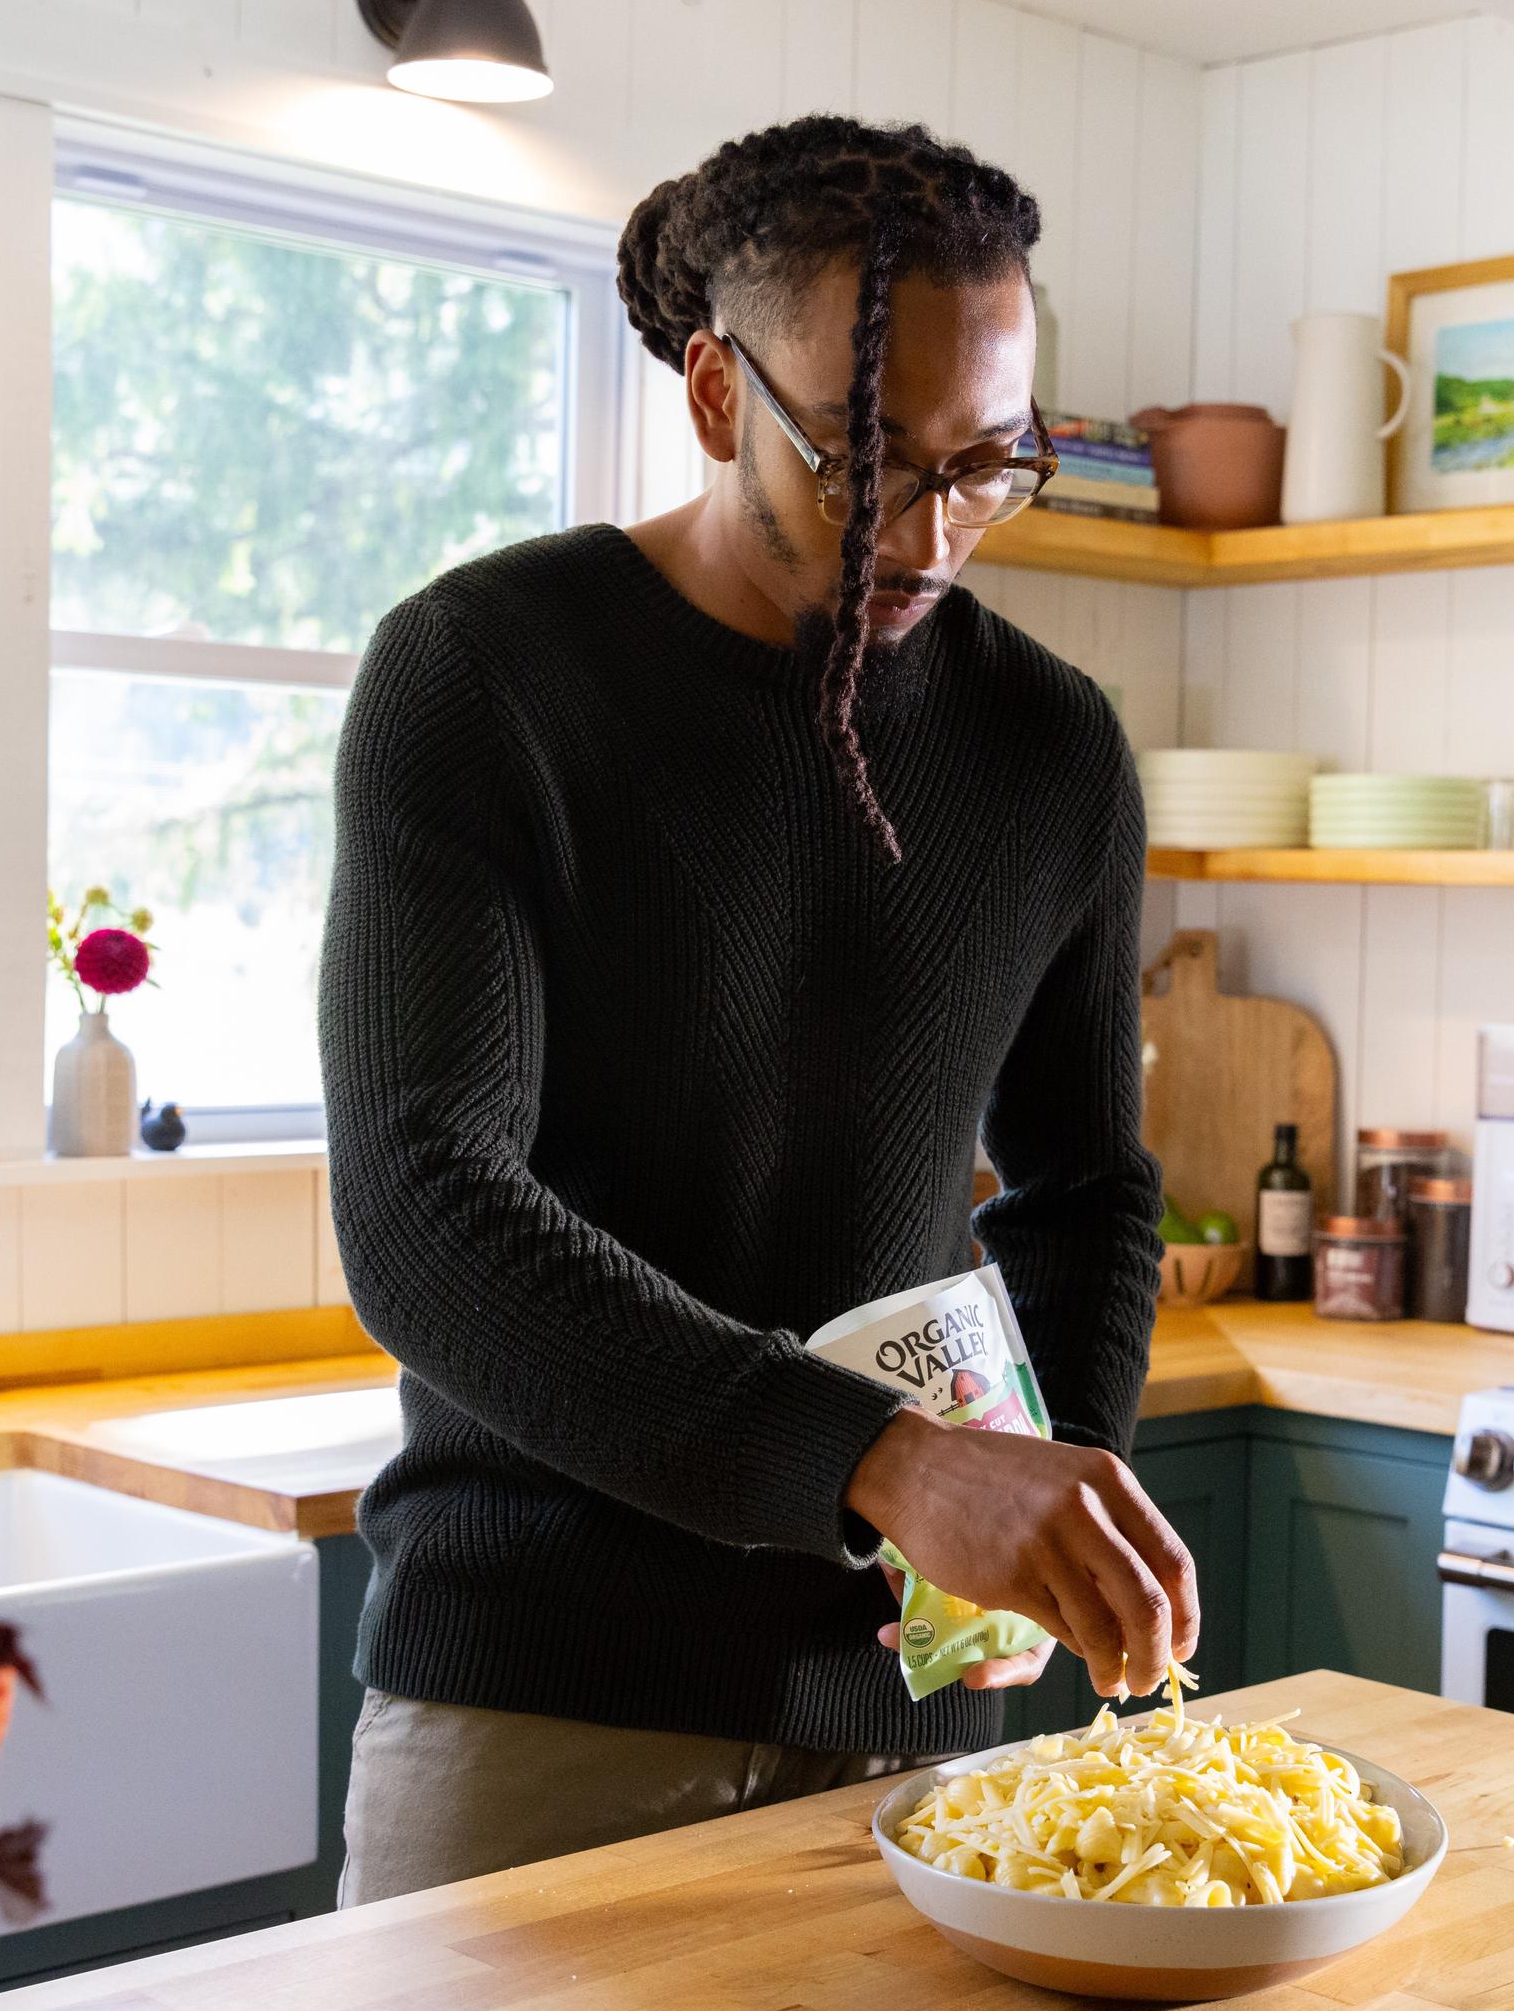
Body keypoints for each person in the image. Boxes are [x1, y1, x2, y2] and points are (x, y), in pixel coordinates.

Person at [318, 114, 1189, 1907]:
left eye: (989, 467)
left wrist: (1043, 1487)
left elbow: (1087, 1185)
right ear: (718, 394)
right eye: (873, 459)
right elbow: (422, 1210)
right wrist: (881, 1464)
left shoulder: (1054, 750)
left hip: (919, 1726)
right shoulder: (484, 679)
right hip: (543, 1708)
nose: (932, 534)